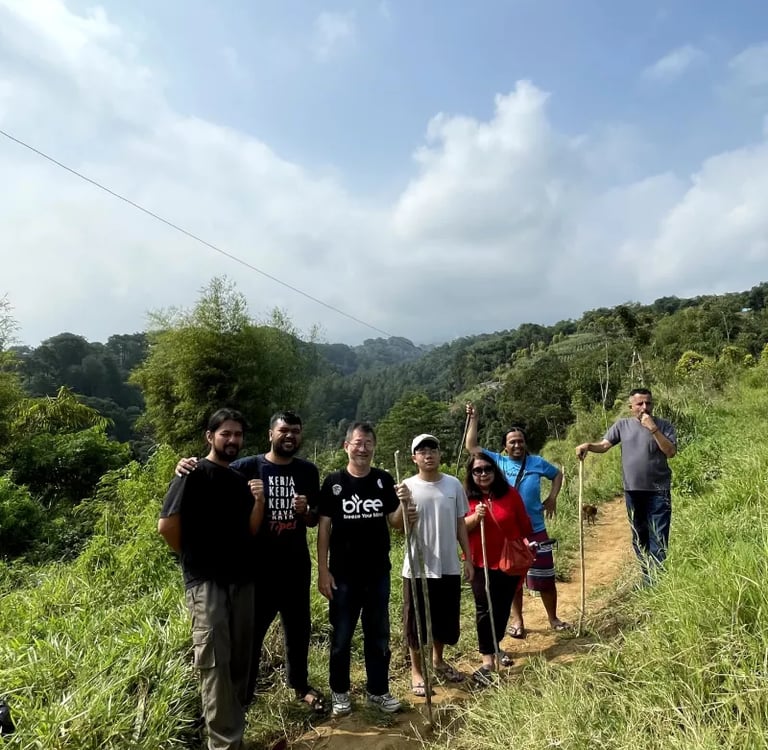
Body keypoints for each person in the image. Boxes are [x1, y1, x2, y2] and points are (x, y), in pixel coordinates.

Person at [175, 412, 325, 714]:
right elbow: (213, 477)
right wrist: (183, 466)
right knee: (250, 636)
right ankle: (245, 693)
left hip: (295, 566)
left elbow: (312, 521)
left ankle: (299, 685)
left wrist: (306, 509)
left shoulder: (308, 471)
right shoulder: (245, 467)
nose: (290, 436)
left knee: (298, 629)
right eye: (284, 430)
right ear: (271, 434)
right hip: (255, 569)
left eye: (295, 431)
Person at [159, 408, 265, 750]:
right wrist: (194, 559)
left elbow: (250, 530)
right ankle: (224, 744)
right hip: (208, 584)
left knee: (239, 662)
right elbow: (167, 527)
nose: (232, 440)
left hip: (243, 580)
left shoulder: (237, 480)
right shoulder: (192, 473)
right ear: (210, 436)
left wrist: (259, 501)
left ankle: (234, 734)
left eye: (237, 435)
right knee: (215, 665)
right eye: (226, 434)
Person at [317, 422, 414, 718]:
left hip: (377, 574)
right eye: (357, 442)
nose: (363, 448)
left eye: (368, 442)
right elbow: (323, 530)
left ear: (374, 446)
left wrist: (404, 504)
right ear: (346, 446)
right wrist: (323, 571)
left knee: (378, 634)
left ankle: (378, 691)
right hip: (343, 576)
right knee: (342, 636)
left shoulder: (384, 480)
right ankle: (340, 693)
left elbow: (395, 523)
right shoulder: (334, 482)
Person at [465, 403, 569, 636]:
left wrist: (552, 498)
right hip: (508, 534)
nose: (517, 445)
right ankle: (518, 621)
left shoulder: (537, 463)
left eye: (520, 441)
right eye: (512, 441)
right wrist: (474, 418)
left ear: (525, 443)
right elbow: (471, 446)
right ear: (505, 446)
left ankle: (553, 618)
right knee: (513, 581)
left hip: (535, 528)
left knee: (545, 577)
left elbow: (557, 474)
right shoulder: (497, 463)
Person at [576, 388, 677, 583]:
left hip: (658, 491)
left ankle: (656, 583)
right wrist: (588, 445)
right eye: (640, 404)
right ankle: (648, 575)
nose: (644, 408)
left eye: (648, 403)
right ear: (631, 407)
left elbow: (670, 452)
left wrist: (653, 429)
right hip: (633, 491)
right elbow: (604, 445)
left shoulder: (663, 426)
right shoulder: (622, 425)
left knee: (659, 536)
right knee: (640, 536)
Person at [402, 434, 473, 694]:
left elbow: (460, 525)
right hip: (417, 567)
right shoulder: (406, 486)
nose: (428, 454)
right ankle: (417, 671)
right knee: (416, 622)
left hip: (448, 564)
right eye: (422, 451)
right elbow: (397, 525)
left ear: (440, 455)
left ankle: (438, 660)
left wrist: (467, 558)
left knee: (443, 618)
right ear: (414, 458)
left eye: (432, 449)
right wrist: (403, 511)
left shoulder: (453, 485)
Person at [463, 451, 533, 685]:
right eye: (477, 470)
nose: (483, 474)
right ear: (471, 474)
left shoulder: (510, 494)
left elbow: (524, 525)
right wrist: (475, 518)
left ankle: (495, 646)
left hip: (508, 563)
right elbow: (458, 528)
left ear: (495, 471)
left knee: (502, 608)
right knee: (484, 608)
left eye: (487, 469)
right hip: (478, 561)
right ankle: (487, 661)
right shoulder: (464, 498)